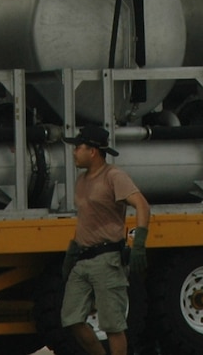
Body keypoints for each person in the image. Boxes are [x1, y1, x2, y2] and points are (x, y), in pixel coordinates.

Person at [61, 126, 150, 355]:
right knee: (71, 319)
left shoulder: (114, 176)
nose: (74, 153)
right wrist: (72, 252)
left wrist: (138, 243)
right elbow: (86, 219)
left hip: (107, 260)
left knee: (113, 325)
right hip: (82, 260)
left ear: (93, 151)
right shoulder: (81, 180)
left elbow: (141, 204)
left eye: (78, 148)